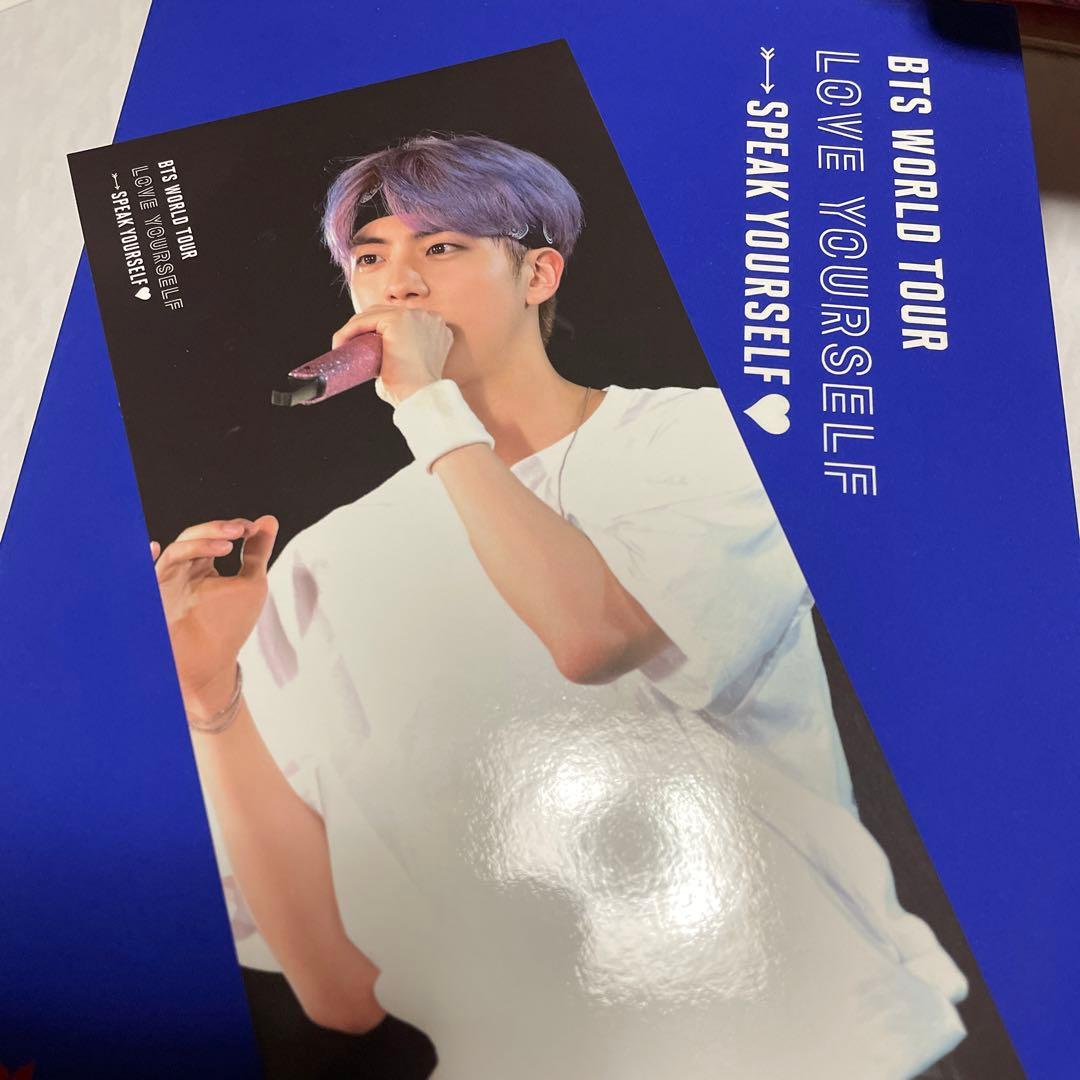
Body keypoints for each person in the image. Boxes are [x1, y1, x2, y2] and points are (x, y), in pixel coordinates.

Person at [152, 133, 969, 1079]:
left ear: (538, 274)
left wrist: (428, 408)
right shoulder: (323, 564)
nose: (398, 284)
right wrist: (211, 695)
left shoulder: (701, 442)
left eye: (442, 247)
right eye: (369, 258)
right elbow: (338, 991)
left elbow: (590, 637)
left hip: (835, 1053)